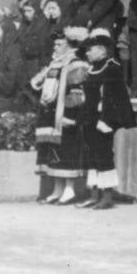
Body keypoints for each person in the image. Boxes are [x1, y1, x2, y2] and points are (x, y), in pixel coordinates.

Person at [76, 31, 137, 210]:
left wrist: (106, 120)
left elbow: (112, 96)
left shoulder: (112, 67)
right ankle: (94, 195)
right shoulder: (92, 68)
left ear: (102, 50)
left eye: (90, 49)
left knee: (103, 155)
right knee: (91, 155)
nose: (87, 53)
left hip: (103, 119)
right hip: (89, 118)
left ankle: (107, 197)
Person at [30, 28, 88, 206]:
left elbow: (77, 94)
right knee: (51, 153)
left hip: (65, 117)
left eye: (59, 44)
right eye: (54, 44)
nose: (55, 47)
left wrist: (69, 116)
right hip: (49, 115)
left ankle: (69, 190)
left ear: (70, 46)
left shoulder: (76, 65)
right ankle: (57, 189)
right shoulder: (54, 64)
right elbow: (38, 86)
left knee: (65, 151)